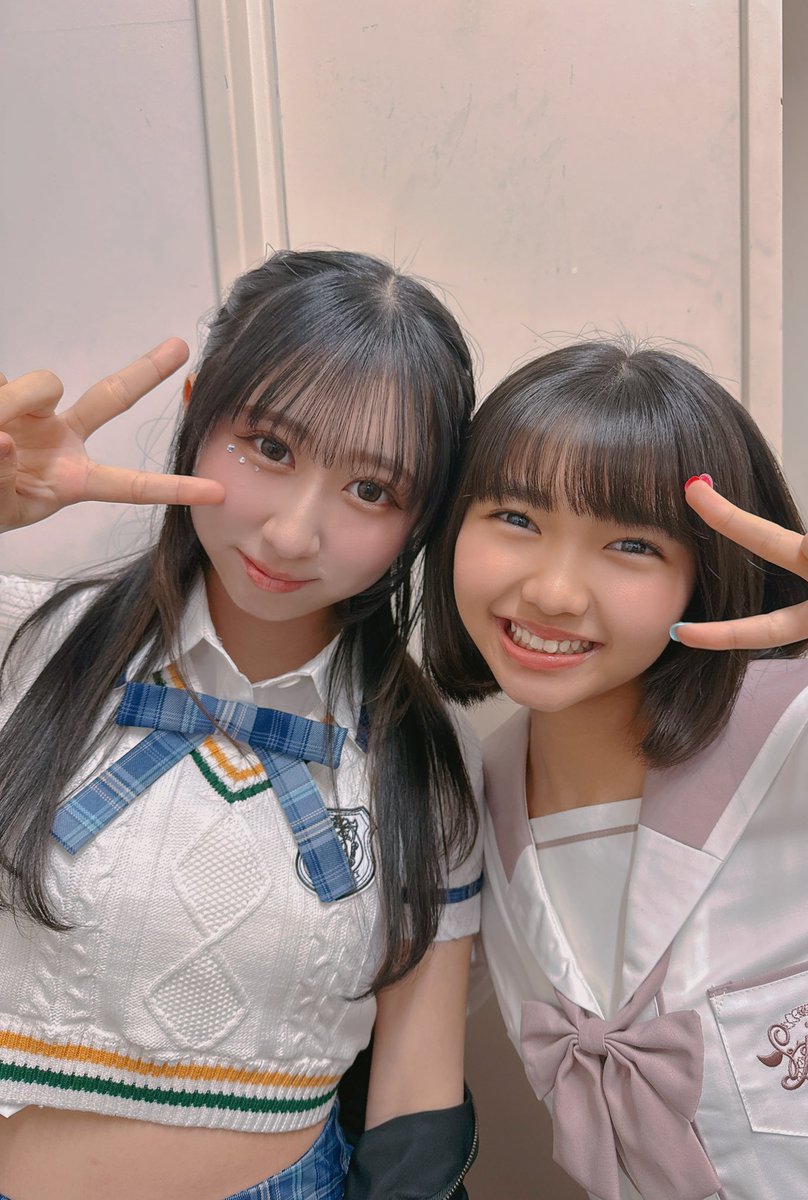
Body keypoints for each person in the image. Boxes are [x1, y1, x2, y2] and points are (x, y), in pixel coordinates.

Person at [0, 250, 483, 1200]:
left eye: (372, 491)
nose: (293, 533)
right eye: (269, 447)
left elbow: (414, 1091)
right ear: (196, 413)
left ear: (421, 520)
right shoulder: (23, 641)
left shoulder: (425, 756)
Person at [424, 338, 808, 1200]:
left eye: (632, 545)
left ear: (703, 573)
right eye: (517, 519)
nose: (555, 592)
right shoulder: (468, 796)